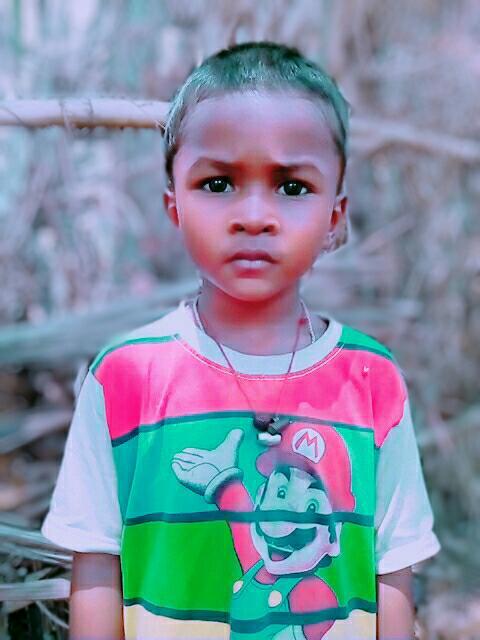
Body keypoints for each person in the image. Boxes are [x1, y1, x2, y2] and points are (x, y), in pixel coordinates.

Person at [41, 41, 441, 640]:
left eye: (292, 187)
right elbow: (97, 563)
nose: (254, 215)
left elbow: (393, 573)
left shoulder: (371, 380)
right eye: (219, 182)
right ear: (173, 203)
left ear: (335, 217)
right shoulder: (124, 376)